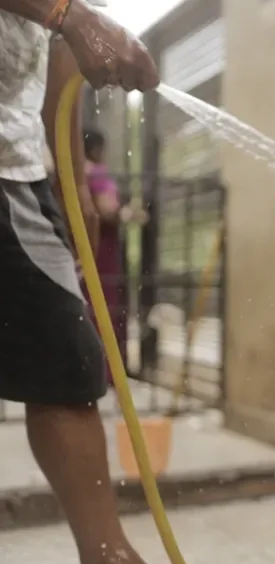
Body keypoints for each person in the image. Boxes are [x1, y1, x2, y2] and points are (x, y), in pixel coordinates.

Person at [0, 1, 253, 564]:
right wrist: (69, 14)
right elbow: (63, 29)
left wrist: (75, 183)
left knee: (68, 363)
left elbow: (55, 59)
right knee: (66, 357)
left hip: (18, 163)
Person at [81, 128, 146, 379]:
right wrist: (130, 214)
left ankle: (84, 369)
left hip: (78, 246)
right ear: (98, 148)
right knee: (104, 308)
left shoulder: (72, 171)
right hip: (102, 247)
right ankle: (104, 372)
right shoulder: (96, 172)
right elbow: (108, 210)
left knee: (83, 306)